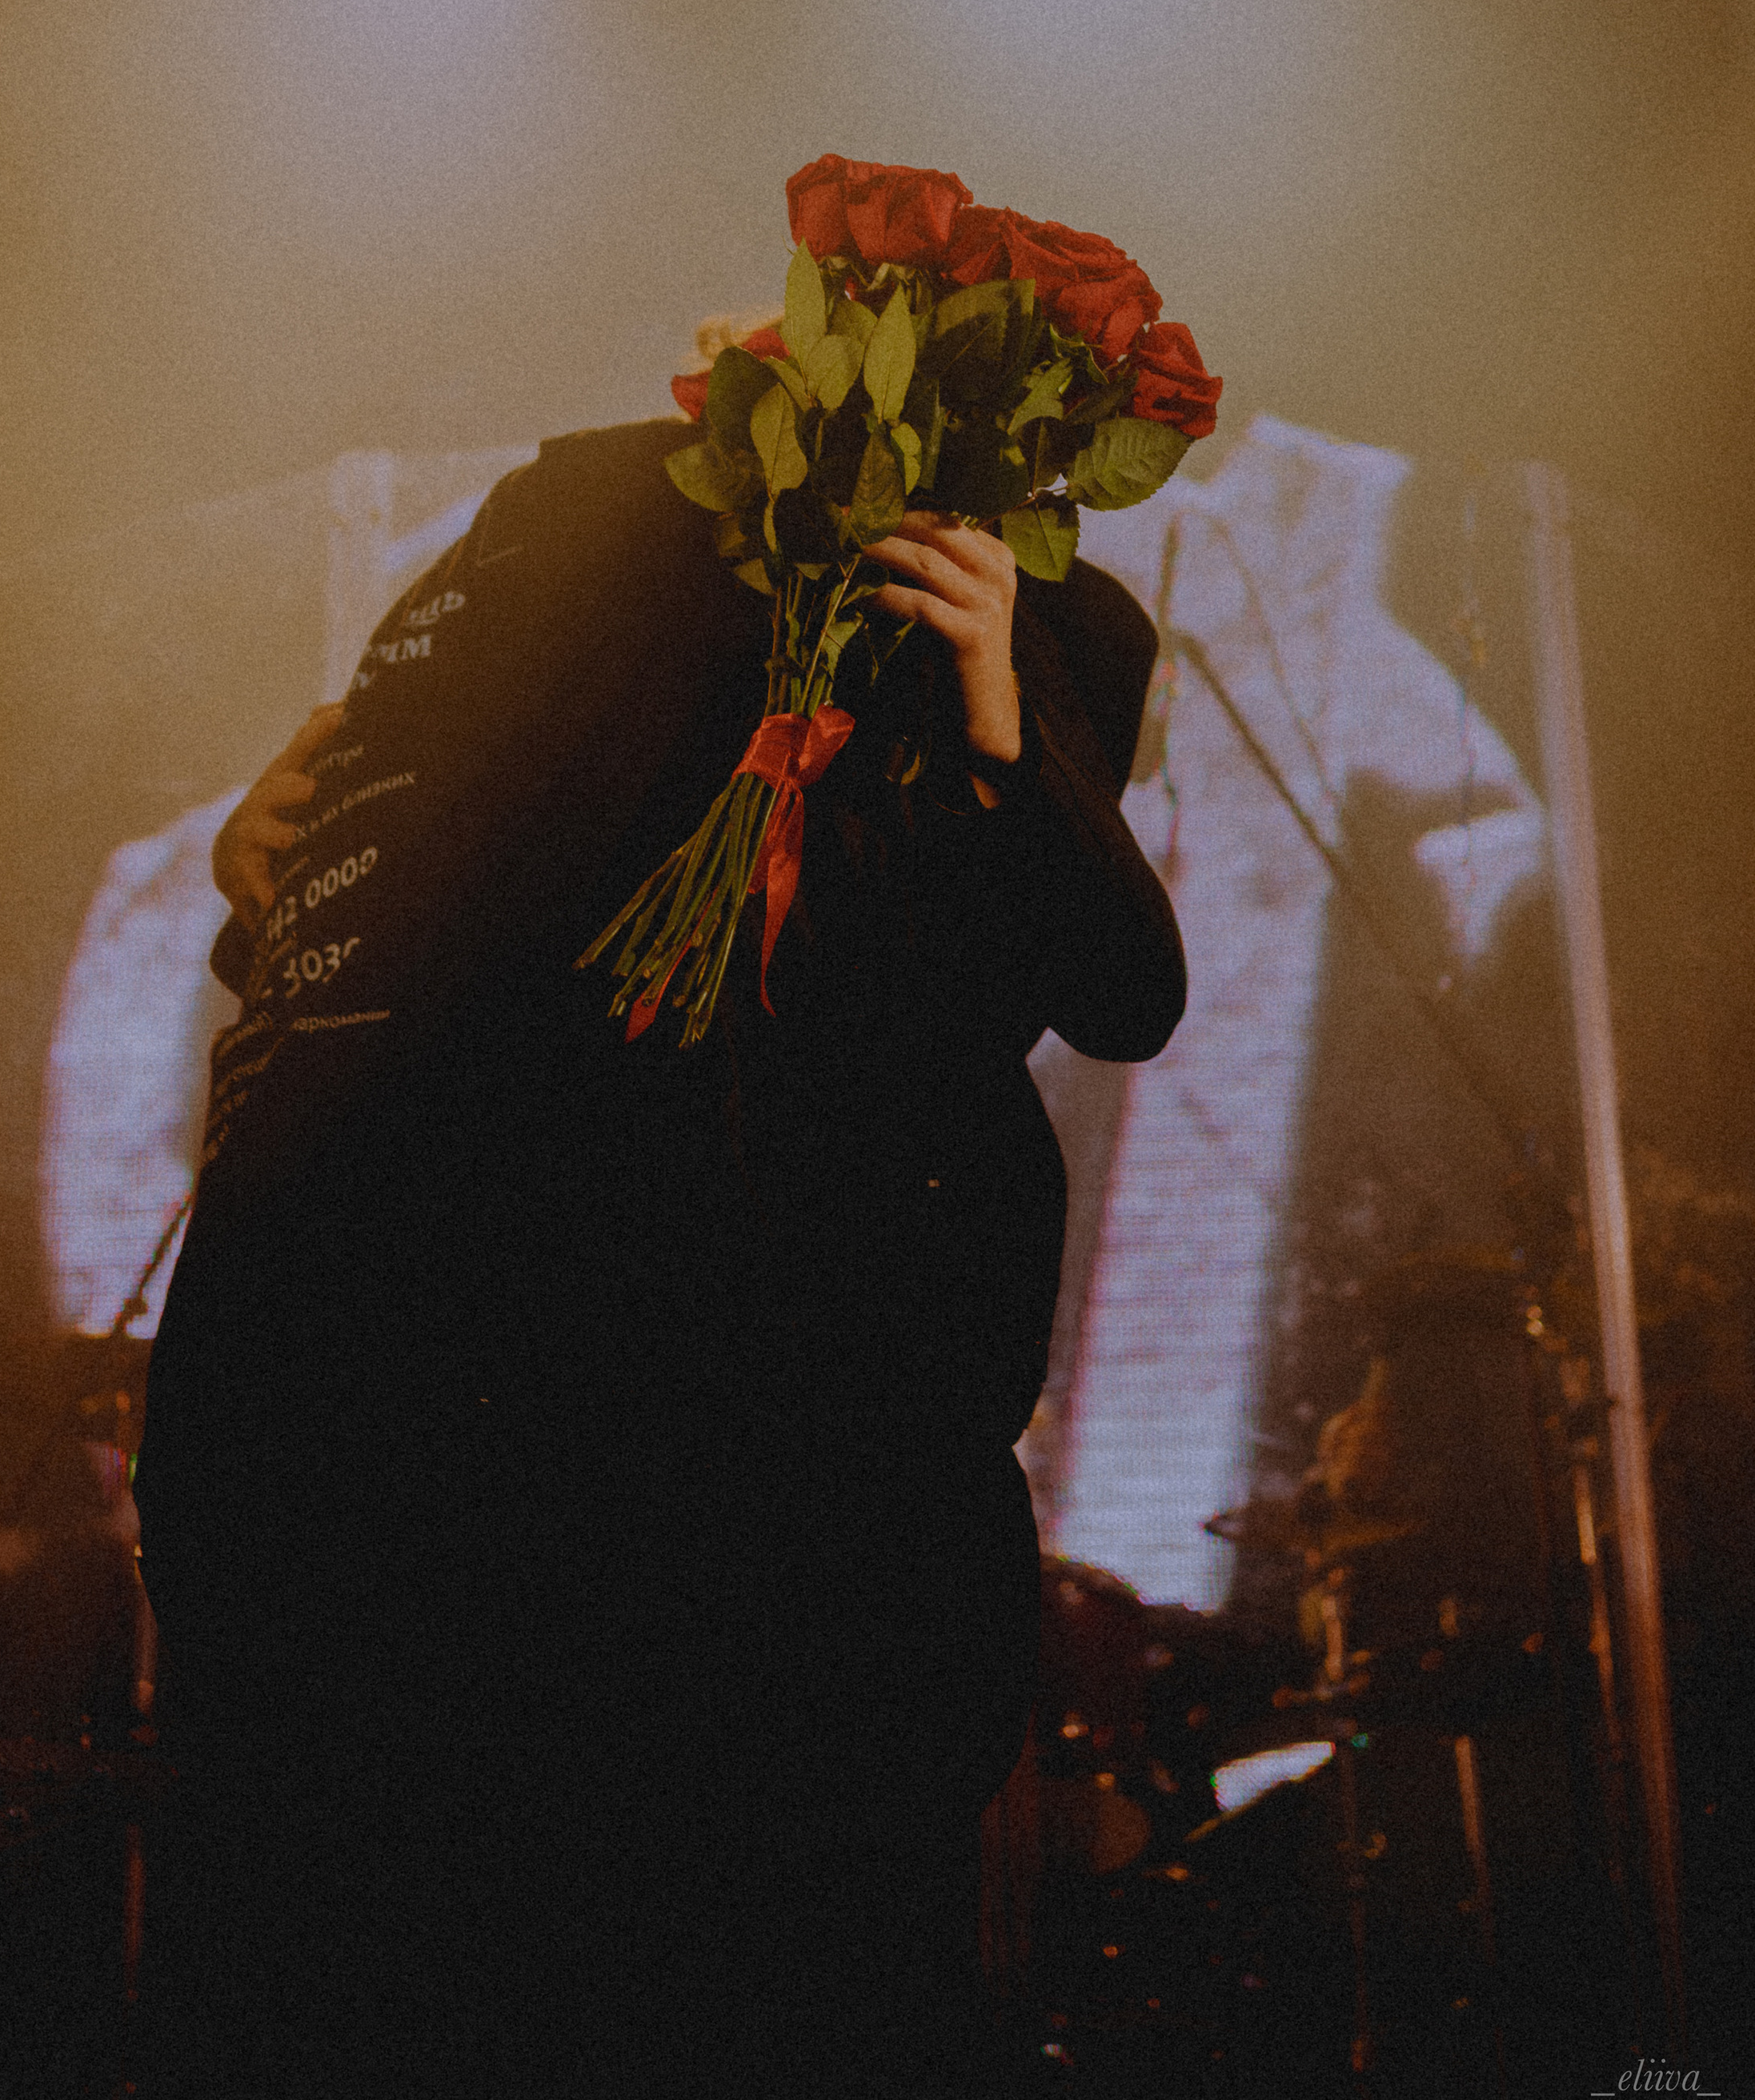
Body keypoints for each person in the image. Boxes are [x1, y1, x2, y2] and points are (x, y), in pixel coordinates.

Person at [133, 395, 1186, 2098]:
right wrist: (284, 886)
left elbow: (1113, 982)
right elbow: (373, 1020)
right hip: (474, 1544)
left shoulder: (1000, 656)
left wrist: (1004, 738)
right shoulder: (561, 654)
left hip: (778, 1555)